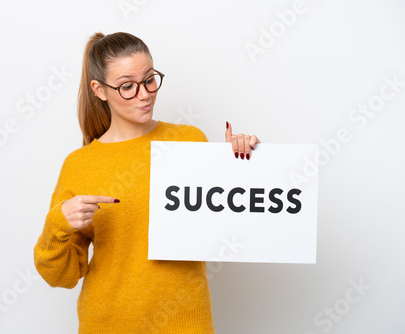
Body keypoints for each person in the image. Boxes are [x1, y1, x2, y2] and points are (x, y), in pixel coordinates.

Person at [33, 32, 260, 334]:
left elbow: (230, 226)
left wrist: (243, 164)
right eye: (127, 86)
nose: (145, 94)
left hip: (185, 323)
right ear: (99, 90)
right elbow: (61, 276)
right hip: (106, 324)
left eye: (150, 79)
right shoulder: (79, 165)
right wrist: (58, 223)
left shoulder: (188, 141)